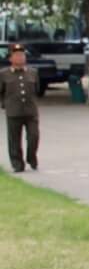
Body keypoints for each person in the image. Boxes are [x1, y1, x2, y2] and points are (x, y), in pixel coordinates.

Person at [3, 42, 38, 172]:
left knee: (34, 136)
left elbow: (36, 89)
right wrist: (6, 105)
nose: (20, 58)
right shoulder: (4, 74)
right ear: (10, 58)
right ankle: (17, 164)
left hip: (31, 111)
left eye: (22, 55)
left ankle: (31, 157)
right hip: (13, 111)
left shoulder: (33, 72)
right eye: (16, 55)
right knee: (14, 140)